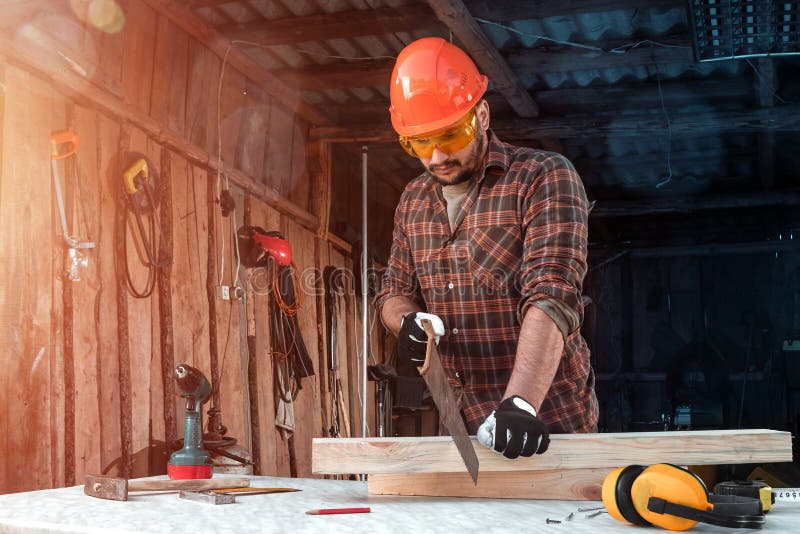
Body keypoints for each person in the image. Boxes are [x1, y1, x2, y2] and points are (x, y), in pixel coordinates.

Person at [375, 37, 598, 459]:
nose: (437, 155)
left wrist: (521, 403)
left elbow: (552, 295)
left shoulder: (542, 177)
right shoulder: (413, 200)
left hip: (545, 419)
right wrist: (405, 321)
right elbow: (393, 290)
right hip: (460, 422)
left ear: (481, 113)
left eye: (450, 135)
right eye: (420, 143)